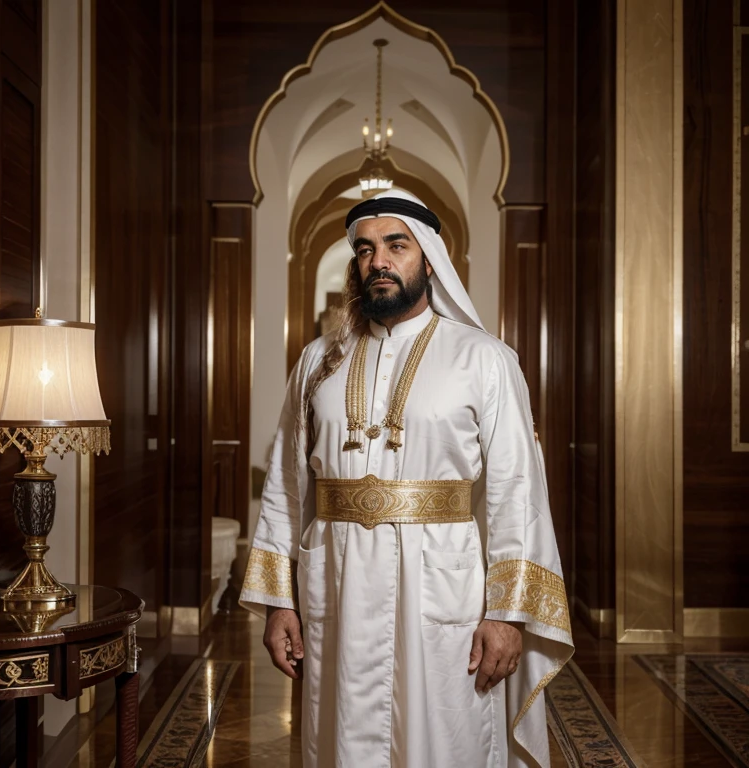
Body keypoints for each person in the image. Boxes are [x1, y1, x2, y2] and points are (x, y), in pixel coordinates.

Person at [240, 190, 573, 767]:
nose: (380, 261)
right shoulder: (317, 361)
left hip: (445, 594)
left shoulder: (485, 359)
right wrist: (278, 603)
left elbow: (517, 494)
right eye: (366, 250)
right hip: (335, 587)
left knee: (444, 740)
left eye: (397, 245)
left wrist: (506, 615)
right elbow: (288, 489)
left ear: (430, 257)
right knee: (340, 737)